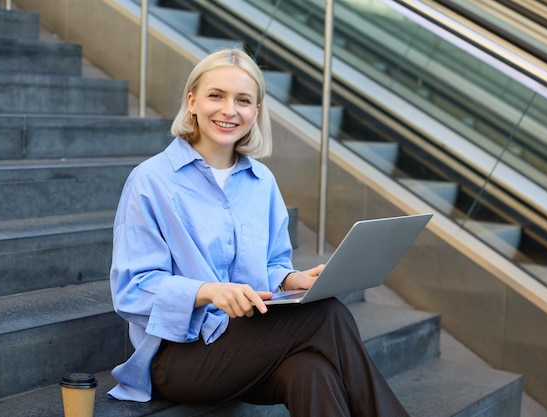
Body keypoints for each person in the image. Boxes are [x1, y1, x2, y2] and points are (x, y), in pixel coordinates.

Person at [107, 48, 410, 417]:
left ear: (256, 111)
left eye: (243, 100)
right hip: (179, 355)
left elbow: (269, 265)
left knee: (311, 372)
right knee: (327, 315)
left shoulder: (262, 182)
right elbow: (132, 290)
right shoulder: (150, 181)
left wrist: (293, 279)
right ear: (192, 101)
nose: (229, 110)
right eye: (216, 95)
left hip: (250, 340)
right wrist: (207, 292)